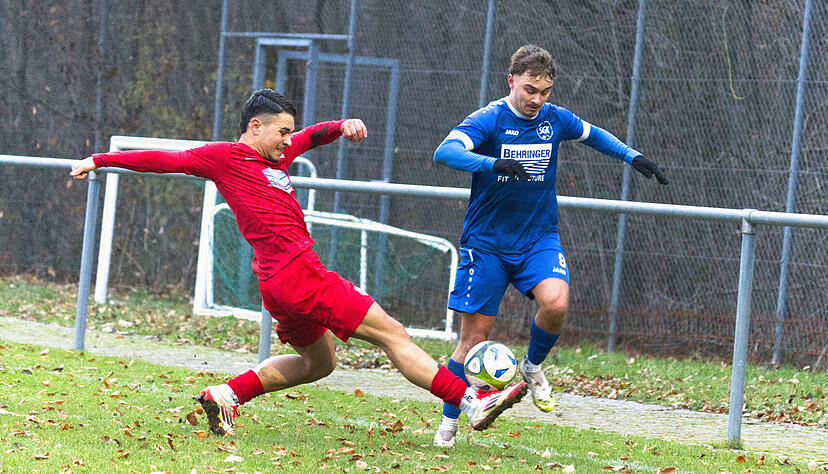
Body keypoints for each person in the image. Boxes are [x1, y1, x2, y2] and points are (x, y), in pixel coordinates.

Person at [70, 89, 527, 437]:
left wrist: (340, 125)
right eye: (281, 131)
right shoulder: (225, 158)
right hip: (299, 275)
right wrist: (99, 159)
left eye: (289, 132)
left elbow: (312, 136)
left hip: (277, 284)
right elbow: (165, 160)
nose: (288, 140)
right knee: (392, 333)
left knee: (320, 363)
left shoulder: (279, 154)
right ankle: (471, 401)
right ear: (254, 127)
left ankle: (229, 394)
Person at [430, 45, 669, 447]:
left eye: (544, 92)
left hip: (539, 237)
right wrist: (491, 164)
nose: (536, 100)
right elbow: (445, 152)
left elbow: (594, 136)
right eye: (529, 90)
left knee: (556, 302)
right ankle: (448, 423)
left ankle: (532, 366)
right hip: (486, 244)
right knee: (473, 340)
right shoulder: (488, 119)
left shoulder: (553, 119)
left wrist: (633, 156)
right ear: (511, 81)